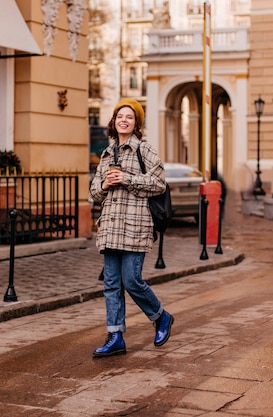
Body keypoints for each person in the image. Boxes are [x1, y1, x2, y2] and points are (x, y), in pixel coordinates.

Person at [89, 98, 174, 357]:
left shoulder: (144, 150)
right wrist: (104, 185)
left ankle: (161, 317)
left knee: (132, 280)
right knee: (112, 284)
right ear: (113, 122)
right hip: (111, 226)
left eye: (129, 117)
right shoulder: (106, 154)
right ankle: (115, 336)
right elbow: (94, 192)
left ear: (136, 124)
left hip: (135, 226)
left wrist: (127, 179)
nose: (124, 120)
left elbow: (159, 183)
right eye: (119, 116)